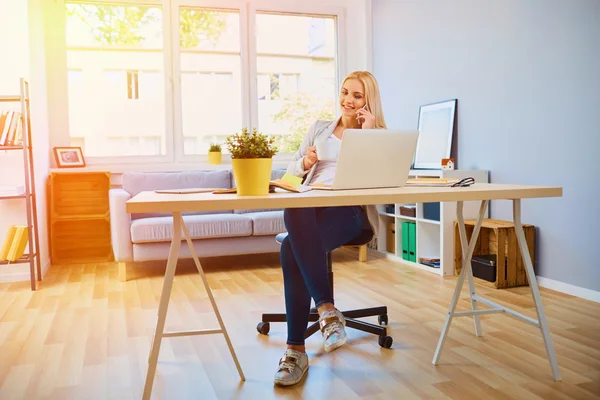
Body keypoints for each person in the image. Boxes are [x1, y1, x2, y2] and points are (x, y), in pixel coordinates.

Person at [273, 71, 386, 386]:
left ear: (369, 101)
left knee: (289, 247)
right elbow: (290, 178)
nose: (348, 101)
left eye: (358, 96)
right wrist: (305, 164)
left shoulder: (376, 133)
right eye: (345, 92)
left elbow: (382, 181)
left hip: (348, 212)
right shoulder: (319, 129)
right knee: (295, 211)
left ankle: (295, 350)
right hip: (309, 205)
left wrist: (368, 134)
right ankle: (327, 310)